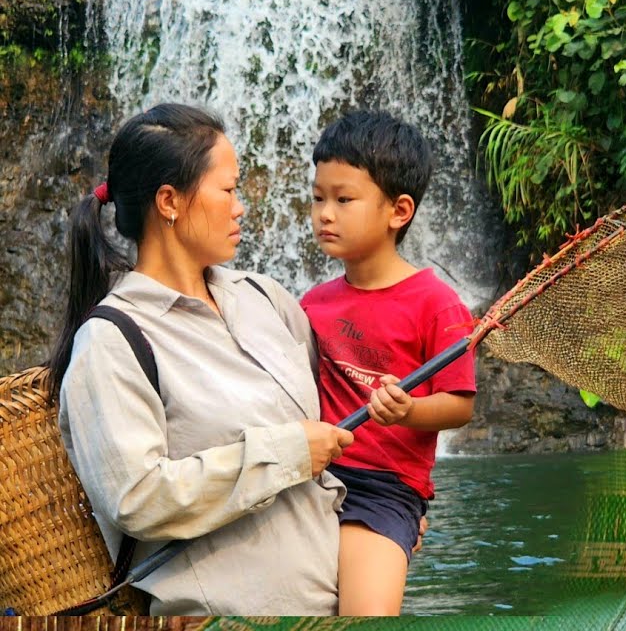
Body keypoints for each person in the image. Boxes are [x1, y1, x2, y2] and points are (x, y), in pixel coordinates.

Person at [51, 104, 355, 615]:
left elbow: (331, 433)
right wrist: (282, 454)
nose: (241, 208)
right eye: (229, 190)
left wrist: (385, 515)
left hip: (338, 605)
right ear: (169, 201)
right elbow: (137, 497)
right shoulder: (110, 341)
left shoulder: (265, 297)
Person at [301, 110, 477, 616]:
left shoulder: (437, 303)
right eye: (317, 198)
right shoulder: (312, 304)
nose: (324, 214)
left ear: (399, 211)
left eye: (343, 199)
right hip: (309, 475)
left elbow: (459, 405)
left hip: (383, 489)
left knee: (367, 617)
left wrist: (408, 411)